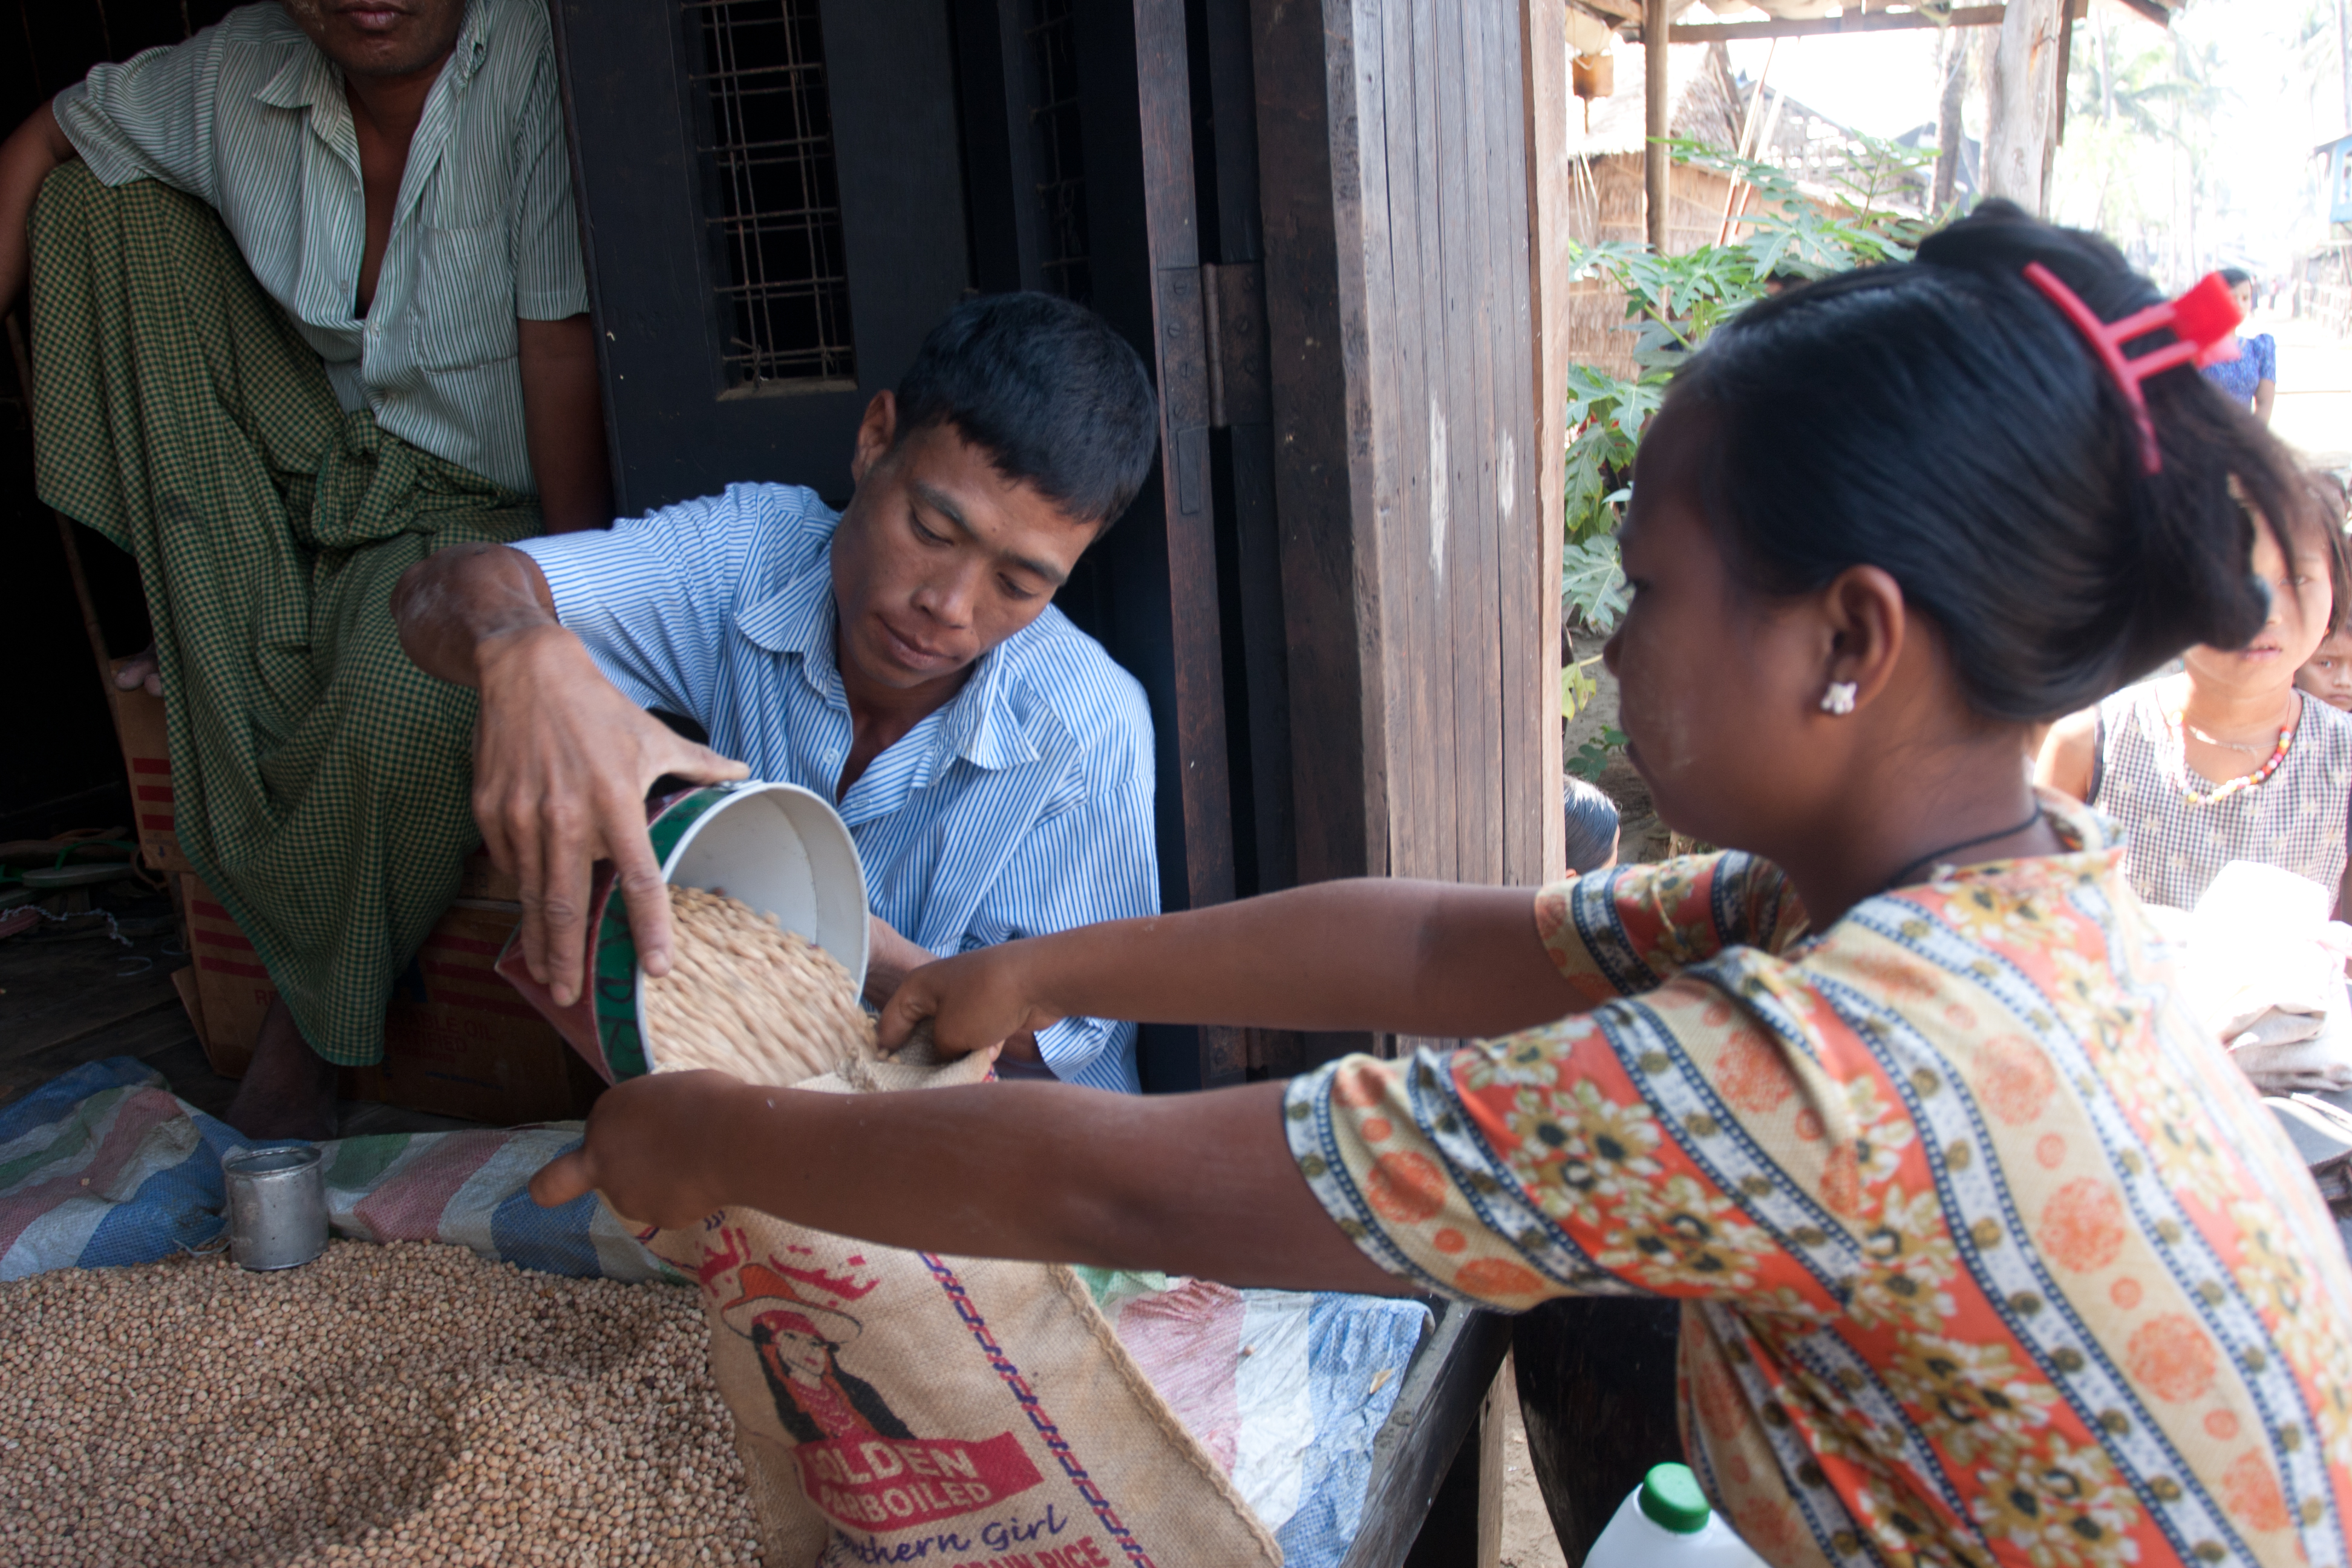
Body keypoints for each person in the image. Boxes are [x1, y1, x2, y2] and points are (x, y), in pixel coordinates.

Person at [533, 203, 2352, 1568]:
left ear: (1851, 644)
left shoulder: (1837, 1071)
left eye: (1644, 589)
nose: (1616, 643)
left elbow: (1131, 1183)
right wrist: (1031, 974)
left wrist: (721, 1142)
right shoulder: (1921, 903)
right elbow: (1438, 940)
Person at [0, 0, 609, 1137]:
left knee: (404, 694)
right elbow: (43, 134)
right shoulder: (241, 70)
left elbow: (560, 340)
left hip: (489, 502)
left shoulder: (531, 58)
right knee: (90, 207)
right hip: (329, 462)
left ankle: (306, 1015)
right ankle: (202, 602)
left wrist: (572, 600)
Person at [397, 291, 1163, 1098]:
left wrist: (837, 940)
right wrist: (524, 652)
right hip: (764, 1121)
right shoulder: (748, 556)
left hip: (982, 1163)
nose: (950, 605)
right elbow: (434, 595)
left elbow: (1053, 1046)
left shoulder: (1086, 727)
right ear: (875, 442)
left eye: (1017, 584)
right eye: (933, 533)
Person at [2036, 475, 2352, 913]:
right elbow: (2036, 918)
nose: (2264, 612)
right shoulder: (2090, 744)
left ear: (2335, 589)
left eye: (2295, 579)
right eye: (2225, 577)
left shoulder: (2343, 757)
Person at [2201, 267, 2276, 424]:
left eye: (2246, 298)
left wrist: (2249, 442)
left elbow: (2265, 404)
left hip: (2244, 439)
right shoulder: (2198, 349)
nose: (2240, 305)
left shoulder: (2259, 349)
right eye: (2233, 298)